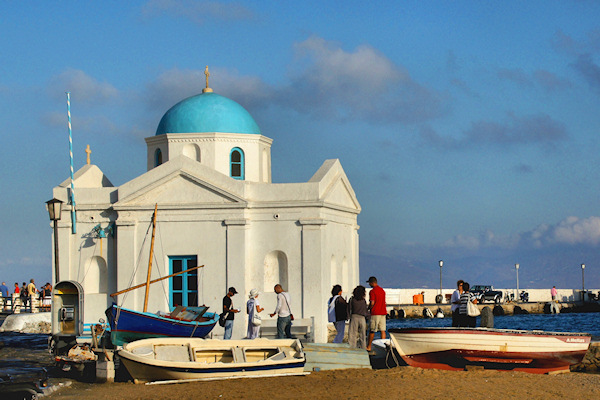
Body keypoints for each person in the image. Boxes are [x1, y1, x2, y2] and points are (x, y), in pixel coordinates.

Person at [366, 276, 386, 352]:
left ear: (372, 283)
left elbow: (372, 302)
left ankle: (369, 346)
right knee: (383, 330)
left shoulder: (372, 291)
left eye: (369, 283)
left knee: (372, 330)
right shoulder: (382, 290)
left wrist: (368, 308)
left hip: (375, 313)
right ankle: (383, 346)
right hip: (383, 312)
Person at [348, 285, 368, 349]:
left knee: (352, 334)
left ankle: (352, 347)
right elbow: (365, 310)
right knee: (363, 335)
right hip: (362, 318)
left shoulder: (352, 299)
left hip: (354, 317)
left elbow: (349, 308)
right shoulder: (363, 300)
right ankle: (363, 348)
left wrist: (348, 316)